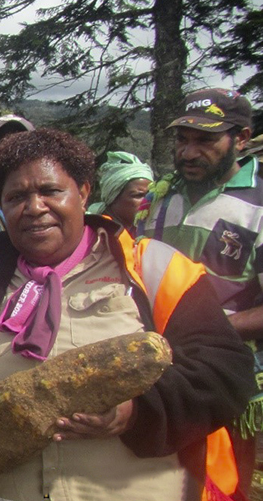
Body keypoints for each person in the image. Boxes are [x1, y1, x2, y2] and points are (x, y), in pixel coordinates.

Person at [0, 128, 254, 501]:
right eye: (16, 197)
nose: (35, 207)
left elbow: (227, 372)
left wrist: (135, 412)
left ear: (84, 192)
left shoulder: (152, 269)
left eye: (51, 191)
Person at [136, 88, 261, 497]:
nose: (189, 152)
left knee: (221, 485)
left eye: (205, 141)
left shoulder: (258, 206)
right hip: (160, 380)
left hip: (227, 382)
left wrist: (213, 330)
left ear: (241, 139)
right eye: (182, 139)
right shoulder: (159, 199)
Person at [86, 151, 154, 232]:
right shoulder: (93, 232)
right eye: (138, 195)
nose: (147, 201)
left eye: (150, 195)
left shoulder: (143, 231)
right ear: (112, 198)